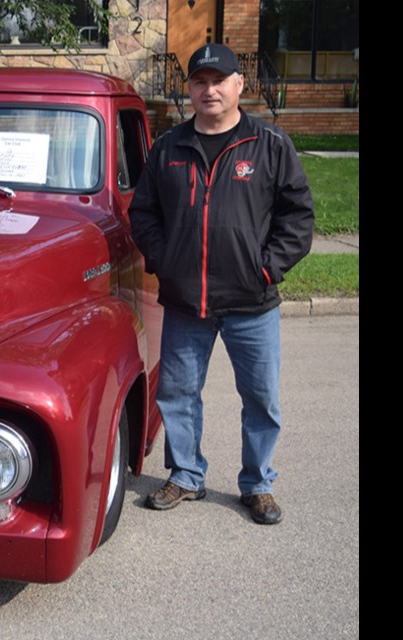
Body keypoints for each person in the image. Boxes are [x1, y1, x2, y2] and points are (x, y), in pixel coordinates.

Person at [128, 43, 314, 524]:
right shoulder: (169, 148)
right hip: (187, 301)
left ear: (239, 85)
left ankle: (257, 484)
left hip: (253, 302)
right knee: (177, 394)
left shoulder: (270, 145)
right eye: (199, 81)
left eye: (218, 80)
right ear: (188, 88)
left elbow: (298, 218)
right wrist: (163, 260)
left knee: (261, 399)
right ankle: (186, 475)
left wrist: (267, 268)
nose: (208, 90)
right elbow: (144, 212)